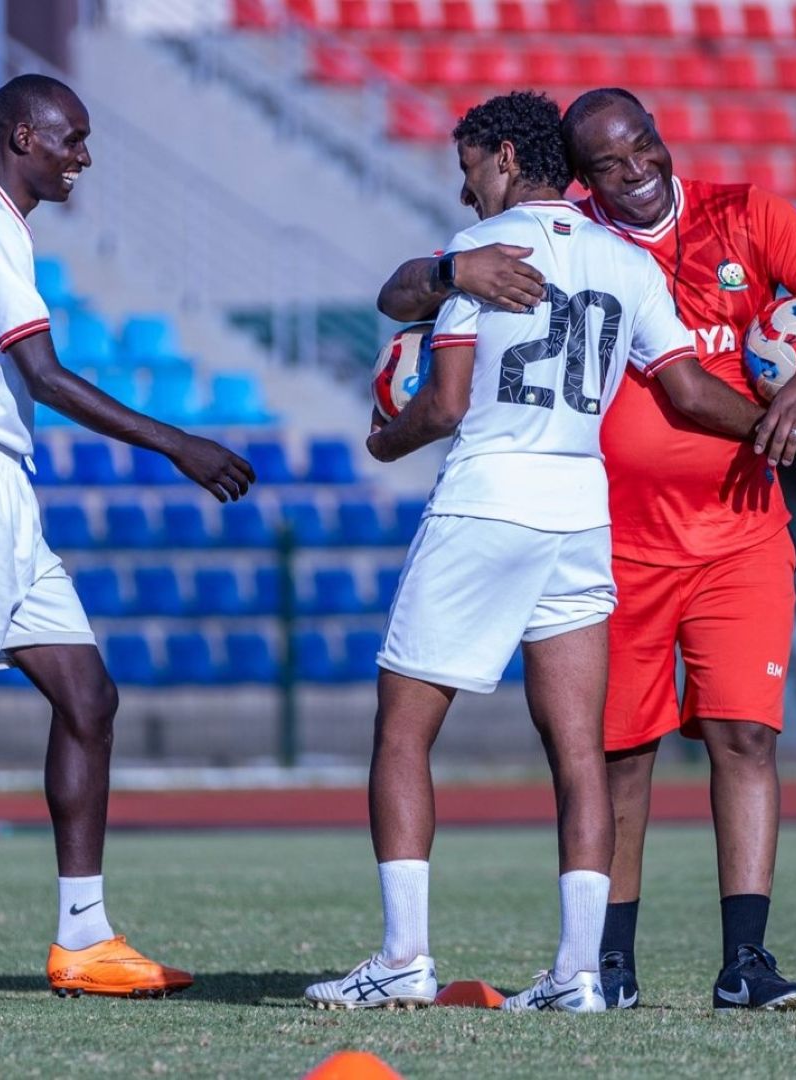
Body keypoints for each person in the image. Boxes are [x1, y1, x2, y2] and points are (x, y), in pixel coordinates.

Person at [376, 87, 796, 1012]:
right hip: (615, 536)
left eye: (646, 146)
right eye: (612, 163)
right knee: (616, 753)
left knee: (745, 737)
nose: (639, 169)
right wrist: (455, 275)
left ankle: (746, 961)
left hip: (735, 531)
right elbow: (688, 390)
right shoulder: (581, 239)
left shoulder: (744, 216)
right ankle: (605, 965)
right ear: (582, 177)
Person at [0, 73, 256, 1005]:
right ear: (23, 134)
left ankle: (83, 938)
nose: (84, 157)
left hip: (1, 492)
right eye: (71, 140)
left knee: (88, 697)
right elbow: (45, 373)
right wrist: (176, 443)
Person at [305, 91, 704, 1015]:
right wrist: (777, 416)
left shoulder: (479, 264)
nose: (465, 181)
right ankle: (578, 975)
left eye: (471, 165)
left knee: (404, 730)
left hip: (487, 503)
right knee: (579, 754)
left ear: (507, 162)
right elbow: (684, 387)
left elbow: (441, 407)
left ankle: (403, 958)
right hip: (578, 511)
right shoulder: (624, 259)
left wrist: (382, 441)